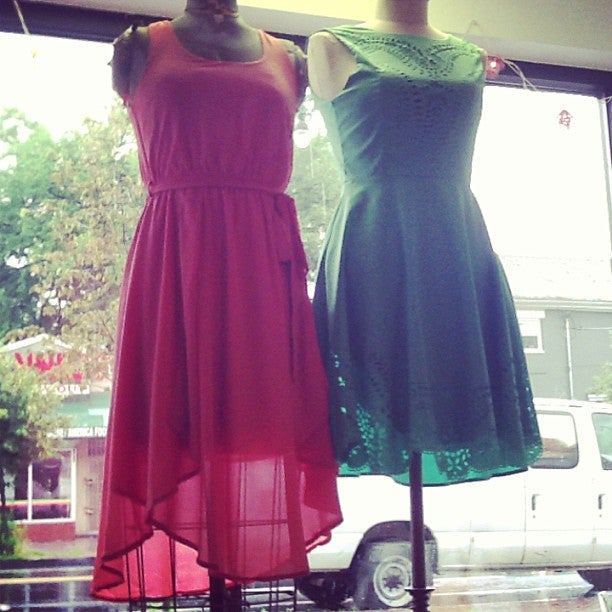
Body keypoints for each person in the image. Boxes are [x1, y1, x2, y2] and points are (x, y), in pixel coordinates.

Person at [92, 0, 342, 602]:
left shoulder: (290, 60)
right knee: (176, 419)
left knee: (256, 426)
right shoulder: (140, 48)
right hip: (175, 261)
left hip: (262, 267)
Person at [308, 0, 543, 487]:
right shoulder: (331, 46)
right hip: (375, 243)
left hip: (456, 247)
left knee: (452, 371)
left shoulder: (469, 57)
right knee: (381, 376)